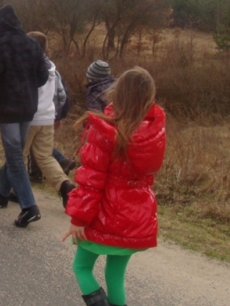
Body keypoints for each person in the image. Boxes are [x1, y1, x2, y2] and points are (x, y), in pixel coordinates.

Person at [63, 67, 166, 306]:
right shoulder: (154, 130)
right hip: (135, 214)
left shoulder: (105, 130)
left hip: (103, 213)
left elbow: (92, 179)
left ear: (117, 92)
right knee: (115, 276)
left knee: (81, 267)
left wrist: (78, 218)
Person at [0, 5, 49, 228]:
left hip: (8, 108)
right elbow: (42, 77)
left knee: (14, 156)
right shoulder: (33, 44)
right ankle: (3, 193)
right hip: (28, 106)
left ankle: (29, 206)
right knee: (15, 153)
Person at [22, 31, 75, 208]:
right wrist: (56, 114)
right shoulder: (52, 68)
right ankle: (64, 185)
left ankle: (16, 191)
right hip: (47, 118)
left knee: (19, 156)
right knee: (45, 157)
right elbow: (61, 96)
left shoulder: (28, 66)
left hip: (29, 119)